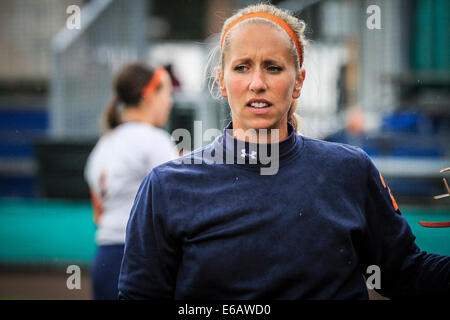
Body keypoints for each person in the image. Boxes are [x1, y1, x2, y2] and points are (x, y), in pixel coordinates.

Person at [118, 4, 449, 299]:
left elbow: (405, 273)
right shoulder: (167, 186)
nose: (257, 83)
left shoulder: (349, 170)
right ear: (221, 80)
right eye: (242, 67)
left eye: (273, 67)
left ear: (299, 81)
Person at [84, 63, 178, 300]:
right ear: (149, 96)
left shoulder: (103, 144)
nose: (170, 101)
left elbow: (98, 214)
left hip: (105, 259)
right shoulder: (155, 140)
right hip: (140, 261)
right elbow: (179, 202)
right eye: (166, 93)